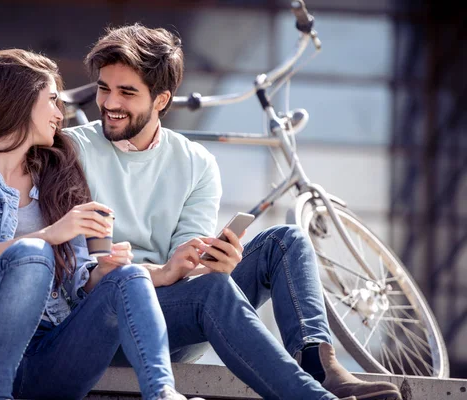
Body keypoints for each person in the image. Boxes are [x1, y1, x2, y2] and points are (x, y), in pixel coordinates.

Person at [63, 24, 402, 400]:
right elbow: (80, 277)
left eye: (127, 93)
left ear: (161, 100)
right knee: (211, 291)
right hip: (104, 326)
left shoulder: (197, 163)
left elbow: (185, 265)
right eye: (104, 88)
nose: (110, 103)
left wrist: (211, 263)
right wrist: (170, 272)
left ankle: (318, 363)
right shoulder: (72, 151)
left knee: (285, 241)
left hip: (174, 321)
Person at [0, 48, 202, 400]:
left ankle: (162, 392)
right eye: (53, 101)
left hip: (47, 357)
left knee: (128, 275)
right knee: (33, 253)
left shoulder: (57, 178)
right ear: (21, 100)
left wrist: (103, 272)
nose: (60, 114)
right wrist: (49, 236)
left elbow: (78, 282)